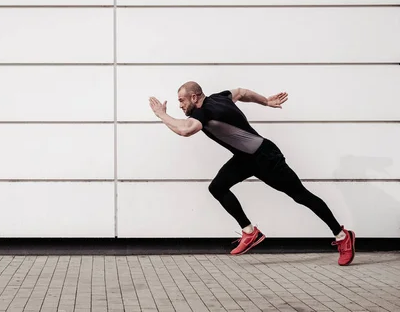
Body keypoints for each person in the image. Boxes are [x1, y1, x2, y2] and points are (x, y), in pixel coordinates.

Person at [148, 81, 355, 265]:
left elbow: (185, 130)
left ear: (194, 97)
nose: (181, 105)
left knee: (300, 195)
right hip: (245, 158)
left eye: (182, 100)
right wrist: (265, 101)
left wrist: (161, 114)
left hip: (265, 157)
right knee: (217, 188)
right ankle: (249, 232)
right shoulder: (221, 97)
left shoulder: (204, 112)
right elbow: (241, 92)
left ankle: (341, 235)